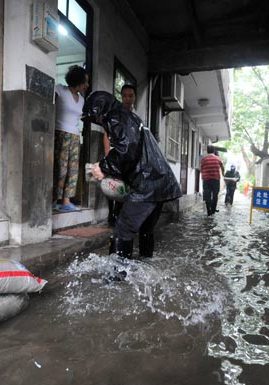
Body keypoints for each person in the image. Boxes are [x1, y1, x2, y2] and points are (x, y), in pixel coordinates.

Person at [84, 91, 182, 267]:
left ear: (101, 111)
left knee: (123, 230)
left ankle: (115, 277)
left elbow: (127, 150)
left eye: (96, 117)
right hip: (160, 180)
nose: (97, 122)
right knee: (146, 230)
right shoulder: (128, 117)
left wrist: (103, 167)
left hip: (147, 184)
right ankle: (146, 268)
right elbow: (132, 152)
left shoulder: (117, 117)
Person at [53, 65, 89, 212]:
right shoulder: (60, 89)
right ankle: (54, 200)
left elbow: (83, 117)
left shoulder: (81, 100)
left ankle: (66, 201)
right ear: (77, 81)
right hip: (60, 133)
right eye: (85, 82)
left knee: (72, 169)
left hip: (75, 135)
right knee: (59, 168)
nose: (87, 85)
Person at [103, 84, 137, 226]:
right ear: (121, 97)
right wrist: (107, 154)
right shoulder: (115, 113)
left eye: (130, 96)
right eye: (124, 96)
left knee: (125, 186)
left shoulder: (135, 117)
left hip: (129, 157)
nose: (127, 99)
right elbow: (106, 134)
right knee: (112, 184)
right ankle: (111, 214)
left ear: (135, 97)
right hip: (115, 154)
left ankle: (119, 214)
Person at [200, 145, 224, 216]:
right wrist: (223, 174)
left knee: (207, 195)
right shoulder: (218, 159)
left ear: (207, 151)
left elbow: (201, 169)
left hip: (206, 180)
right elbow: (222, 167)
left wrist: (204, 174)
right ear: (214, 151)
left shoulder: (203, 159)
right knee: (215, 195)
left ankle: (208, 211)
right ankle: (213, 210)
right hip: (215, 179)